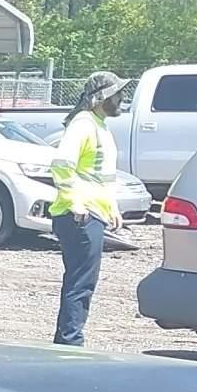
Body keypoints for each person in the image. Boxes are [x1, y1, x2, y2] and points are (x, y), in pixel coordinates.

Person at [48, 71, 127, 347]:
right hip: (79, 216)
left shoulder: (99, 125)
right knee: (80, 283)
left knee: (81, 282)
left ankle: (67, 341)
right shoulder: (84, 124)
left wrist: (112, 207)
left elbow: (101, 175)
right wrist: (76, 202)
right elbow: (61, 164)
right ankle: (70, 344)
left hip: (92, 214)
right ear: (100, 98)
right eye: (117, 93)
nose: (121, 98)